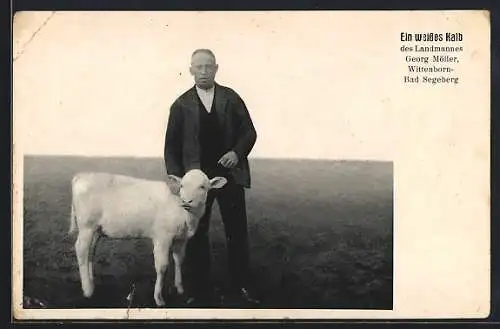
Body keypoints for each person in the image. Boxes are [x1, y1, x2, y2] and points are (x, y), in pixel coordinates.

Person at [164, 48, 259, 306]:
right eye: (199, 67)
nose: (204, 71)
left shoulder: (231, 98)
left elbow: (249, 133)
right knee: (195, 235)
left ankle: (240, 287)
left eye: (209, 66)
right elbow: (171, 147)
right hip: (196, 183)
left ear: (216, 68)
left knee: (236, 233)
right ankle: (197, 290)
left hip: (228, 177)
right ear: (191, 69)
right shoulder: (181, 105)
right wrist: (177, 181)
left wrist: (236, 153)